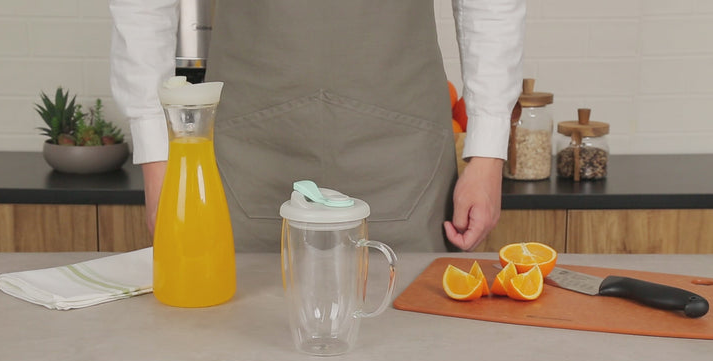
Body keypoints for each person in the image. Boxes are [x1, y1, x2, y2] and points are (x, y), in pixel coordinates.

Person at [110, 0, 525, 252]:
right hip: (246, 159)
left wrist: (487, 154)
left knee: (413, 351)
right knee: (232, 350)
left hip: (405, 158)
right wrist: (158, 161)